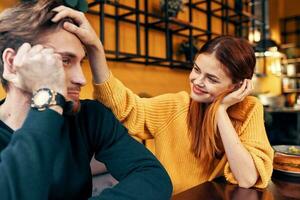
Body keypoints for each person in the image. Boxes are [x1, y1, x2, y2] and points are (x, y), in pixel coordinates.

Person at [0, 0, 173, 199]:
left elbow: (153, 177)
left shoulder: (88, 116)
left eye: (81, 62)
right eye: (64, 61)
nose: (81, 79)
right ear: (12, 63)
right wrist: (48, 95)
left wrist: (96, 48)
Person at [90, 26, 274, 194]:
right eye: (196, 69)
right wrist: (96, 52)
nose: (197, 81)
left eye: (212, 78)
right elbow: (124, 108)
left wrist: (220, 111)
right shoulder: (175, 106)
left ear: (237, 86)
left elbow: (247, 178)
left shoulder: (249, 109)